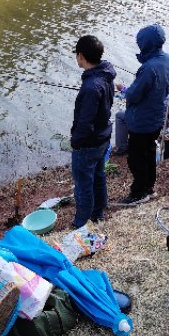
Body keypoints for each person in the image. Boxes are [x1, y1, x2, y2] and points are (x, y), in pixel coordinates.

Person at [115, 24, 169, 206]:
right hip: (156, 118)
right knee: (149, 154)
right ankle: (149, 188)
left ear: (145, 44)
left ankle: (138, 193)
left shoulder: (148, 68)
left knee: (136, 159)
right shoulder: (167, 60)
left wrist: (124, 90)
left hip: (142, 122)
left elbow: (134, 95)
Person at [70, 35, 117, 228]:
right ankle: (98, 214)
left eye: (76, 55)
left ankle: (81, 223)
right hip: (102, 139)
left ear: (81, 56)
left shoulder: (91, 87)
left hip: (88, 145)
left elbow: (85, 123)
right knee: (98, 177)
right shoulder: (106, 76)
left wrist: (75, 142)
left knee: (83, 186)